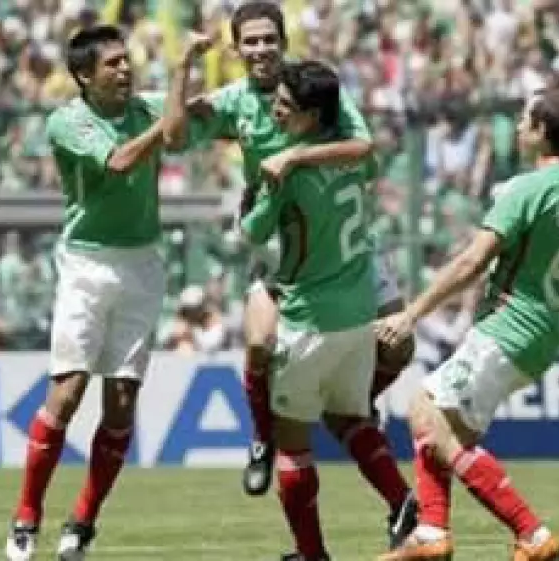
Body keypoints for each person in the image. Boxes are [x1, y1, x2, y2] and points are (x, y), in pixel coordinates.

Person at [164, 1, 417, 548]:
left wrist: (295, 159)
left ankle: (349, 409)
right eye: (250, 41)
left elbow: (364, 147)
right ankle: (265, 439)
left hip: (336, 245)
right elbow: (175, 137)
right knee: (259, 345)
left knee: (401, 346)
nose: (260, 49)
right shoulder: (234, 101)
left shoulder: (316, 89)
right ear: (237, 47)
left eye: (268, 39)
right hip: (284, 245)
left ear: (283, 41)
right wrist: (182, 68)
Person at [376, 89, 559, 561]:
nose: (516, 126)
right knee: (444, 427)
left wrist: (411, 313)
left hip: (507, 325)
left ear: (541, 132)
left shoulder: (526, 189)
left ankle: (531, 535)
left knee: (424, 411)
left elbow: (472, 262)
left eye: (523, 119)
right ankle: (431, 534)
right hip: (542, 335)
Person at [4, 25, 211, 561]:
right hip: (87, 263)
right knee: (68, 392)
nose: (124, 69)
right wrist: (167, 120)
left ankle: (82, 522)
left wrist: (186, 73)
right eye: (112, 63)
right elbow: (120, 161)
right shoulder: (67, 121)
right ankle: (26, 516)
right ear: (84, 76)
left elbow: (188, 126)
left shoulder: (148, 108)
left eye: (126, 60)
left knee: (120, 404)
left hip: (142, 264)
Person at [240, 58, 388, 561]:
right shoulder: (356, 161)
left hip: (310, 318)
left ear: (312, 116)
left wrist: (261, 191)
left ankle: (312, 553)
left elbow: (253, 232)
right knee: (353, 419)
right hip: (358, 314)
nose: (276, 111)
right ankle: (404, 503)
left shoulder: (288, 173)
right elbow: (366, 154)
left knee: (292, 443)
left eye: (286, 106)